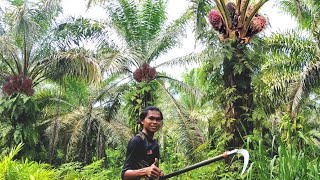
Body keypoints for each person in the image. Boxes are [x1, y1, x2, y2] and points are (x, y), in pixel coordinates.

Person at [121, 106, 164, 180]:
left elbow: (152, 170)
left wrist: (158, 173)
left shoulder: (155, 144)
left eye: (158, 119)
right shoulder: (137, 141)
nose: (155, 122)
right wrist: (145, 171)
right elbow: (124, 174)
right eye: (151, 118)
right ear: (142, 120)